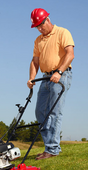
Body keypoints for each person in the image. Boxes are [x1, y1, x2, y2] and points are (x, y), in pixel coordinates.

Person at [27, 8, 75, 160]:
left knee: (54, 112)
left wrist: (59, 72)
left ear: (47, 19)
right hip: (45, 78)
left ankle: (52, 149)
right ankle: (50, 147)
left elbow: (70, 54)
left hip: (60, 76)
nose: (39, 29)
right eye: (37, 27)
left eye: (41, 25)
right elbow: (35, 61)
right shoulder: (38, 40)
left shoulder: (62, 32)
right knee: (40, 112)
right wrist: (31, 78)